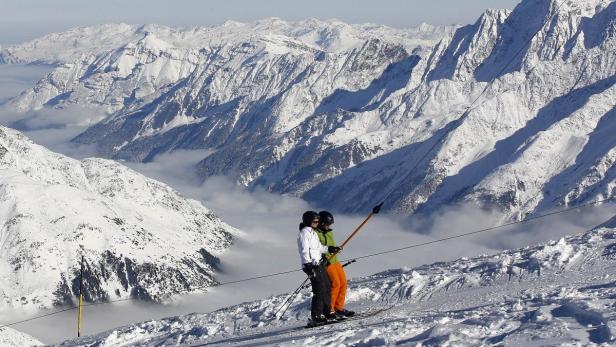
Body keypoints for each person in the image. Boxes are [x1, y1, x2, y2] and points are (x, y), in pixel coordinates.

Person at [297, 210, 342, 325]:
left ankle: (328, 312)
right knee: (319, 290)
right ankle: (316, 315)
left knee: (327, 287)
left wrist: (330, 249)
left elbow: (319, 247)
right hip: (312, 265)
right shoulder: (304, 233)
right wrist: (307, 265)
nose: (317, 223)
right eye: (315, 221)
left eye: (318, 221)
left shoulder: (313, 232)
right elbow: (304, 250)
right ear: (308, 221)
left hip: (319, 263)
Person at [316, 211, 355, 318]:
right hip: (326, 262)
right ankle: (330, 309)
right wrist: (322, 258)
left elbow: (330, 246)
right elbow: (316, 249)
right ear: (321, 223)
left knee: (343, 283)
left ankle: (339, 307)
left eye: (330, 224)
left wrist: (336, 249)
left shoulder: (329, 232)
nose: (329, 226)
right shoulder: (316, 234)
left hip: (335, 260)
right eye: (327, 224)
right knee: (335, 284)